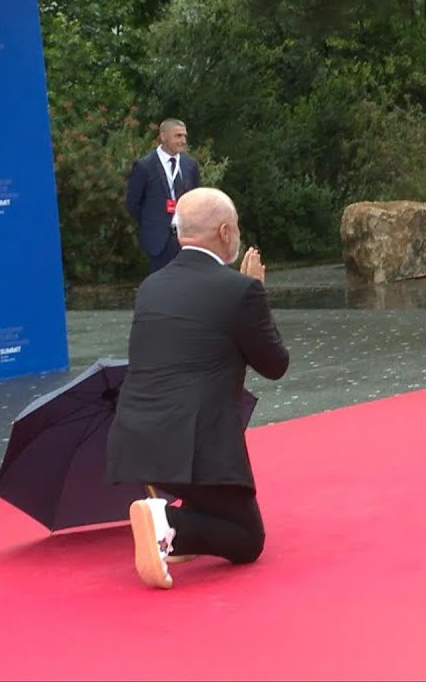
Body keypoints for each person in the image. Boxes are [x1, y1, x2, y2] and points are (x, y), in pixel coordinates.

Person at [107, 187, 289, 590]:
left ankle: (173, 526)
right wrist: (258, 295)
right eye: (237, 226)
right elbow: (275, 365)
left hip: (140, 439)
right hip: (197, 446)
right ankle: (168, 523)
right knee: (247, 539)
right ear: (225, 232)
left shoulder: (151, 286)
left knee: (218, 511)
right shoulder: (239, 290)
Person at [125, 118, 201, 272]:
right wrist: (152, 222)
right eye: (178, 136)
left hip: (186, 239)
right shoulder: (144, 166)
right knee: (163, 290)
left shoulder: (190, 165)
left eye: (185, 136)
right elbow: (133, 204)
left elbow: (196, 199)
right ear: (163, 136)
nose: (183, 140)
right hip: (159, 242)